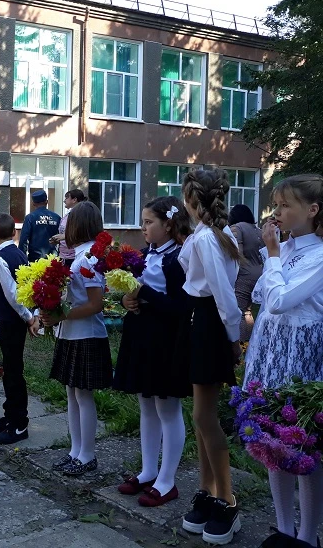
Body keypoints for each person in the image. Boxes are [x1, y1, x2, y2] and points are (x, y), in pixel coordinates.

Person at [242, 174, 323, 548]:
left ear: (312, 210)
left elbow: (278, 301)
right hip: (272, 355)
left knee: (304, 447)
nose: (277, 211)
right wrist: (274, 253)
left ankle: (307, 537)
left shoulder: (319, 255)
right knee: (272, 444)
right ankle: (284, 529)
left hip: (301, 360)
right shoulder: (286, 249)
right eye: (275, 204)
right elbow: (262, 295)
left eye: (286, 205)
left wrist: (273, 255)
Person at [113, 196, 192, 507]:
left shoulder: (179, 259)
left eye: (149, 222)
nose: (143, 227)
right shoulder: (145, 254)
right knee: (146, 405)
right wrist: (127, 300)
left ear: (168, 225)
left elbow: (181, 307)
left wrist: (143, 292)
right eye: (143, 222)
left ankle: (167, 479)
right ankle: (148, 471)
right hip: (141, 335)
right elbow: (135, 290)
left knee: (167, 409)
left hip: (165, 340)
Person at [176, 168, 242, 545]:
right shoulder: (211, 233)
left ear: (191, 199)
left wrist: (233, 339)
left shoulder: (208, 238)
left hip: (209, 322)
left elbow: (223, 293)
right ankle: (207, 489)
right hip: (200, 320)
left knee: (204, 416)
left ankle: (227, 500)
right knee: (201, 415)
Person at [44, 200, 112, 476]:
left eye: (68, 224)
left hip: (86, 334)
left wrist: (61, 315)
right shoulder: (79, 255)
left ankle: (87, 455)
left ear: (78, 226)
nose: (64, 229)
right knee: (72, 394)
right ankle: (75, 451)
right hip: (72, 333)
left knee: (83, 396)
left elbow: (95, 304)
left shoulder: (89, 259)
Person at [0, 213, 40, 443]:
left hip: (11, 320)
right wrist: (31, 314)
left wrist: (29, 318)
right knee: (10, 368)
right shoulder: (19, 253)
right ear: (14, 233)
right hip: (14, 319)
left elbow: (13, 295)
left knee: (13, 371)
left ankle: (19, 423)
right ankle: (9, 416)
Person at [228, 204, 265, 342]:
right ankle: (249, 342)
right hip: (259, 274)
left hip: (243, 275)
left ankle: (240, 343)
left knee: (239, 312)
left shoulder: (236, 228)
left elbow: (237, 254)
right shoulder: (259, 231)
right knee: (248, 311)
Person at [18, 189, 61, 262]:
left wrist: (22, 258)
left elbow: (23, 239)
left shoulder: (30, 217)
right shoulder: (57, 217)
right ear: (47, 202)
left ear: (33, 203)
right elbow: (62, 238)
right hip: (53, 258)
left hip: (35, 259)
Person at [50, 189, 87, 268]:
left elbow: (82, 234)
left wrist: (64, 236)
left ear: (74, 200)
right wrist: (58, 240)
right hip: (64, 256)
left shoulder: (81, 215)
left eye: (67, 198)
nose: (64, 201)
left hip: (74, 257)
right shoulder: (68, 215)